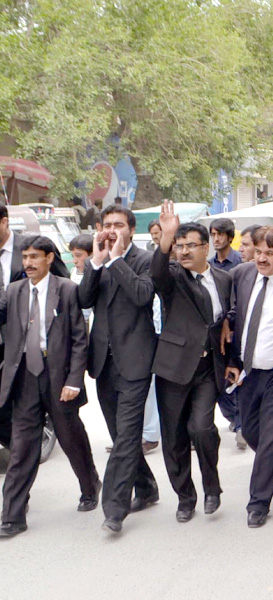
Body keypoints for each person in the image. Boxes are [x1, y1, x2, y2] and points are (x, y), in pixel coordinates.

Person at [0, 236, 100, 538]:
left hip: (58, 377)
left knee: (71, 439)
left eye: (34, 257)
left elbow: (80, 339)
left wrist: (73, 380)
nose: (28, 263)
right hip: (24, 378)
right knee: (22, 447)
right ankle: (12, 516)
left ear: (48, 258)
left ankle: (89, 485)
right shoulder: (14, 291)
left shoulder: (66, 290)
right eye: (25, 257)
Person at [78, 205, 159, 535]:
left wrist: (115, 260)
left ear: (130, 229)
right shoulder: (98, 259)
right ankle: (148, 487)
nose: (111, 230)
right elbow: (84, 299)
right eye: (106, 224)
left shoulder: (144, 260)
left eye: (118, 225)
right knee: (119, 434)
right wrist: (96, 263)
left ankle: (114, 507)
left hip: (136, 360)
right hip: (104, 362)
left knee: (127, 436)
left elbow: (142, 295)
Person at [150, 202, 230, 523]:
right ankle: (185, 497)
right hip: (173, 368)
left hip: (208, 368)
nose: (183, 252)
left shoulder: (225, 279)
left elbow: (231, 317)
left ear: (206, 248)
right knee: (175, 439)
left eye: (189, 246)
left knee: (202, 428)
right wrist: (166, 239)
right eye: (179, 246)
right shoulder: (173, 276)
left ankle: (212, 488)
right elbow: (156, 274)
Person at [225, 226, 273, 528]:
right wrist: (233, 361)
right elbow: (238, 319)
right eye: (258, 252)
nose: (262, 258)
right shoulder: (242, 275)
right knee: (253, 434)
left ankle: (258, 503)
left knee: (270, 439)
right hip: (249, 372)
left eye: (270, 253)